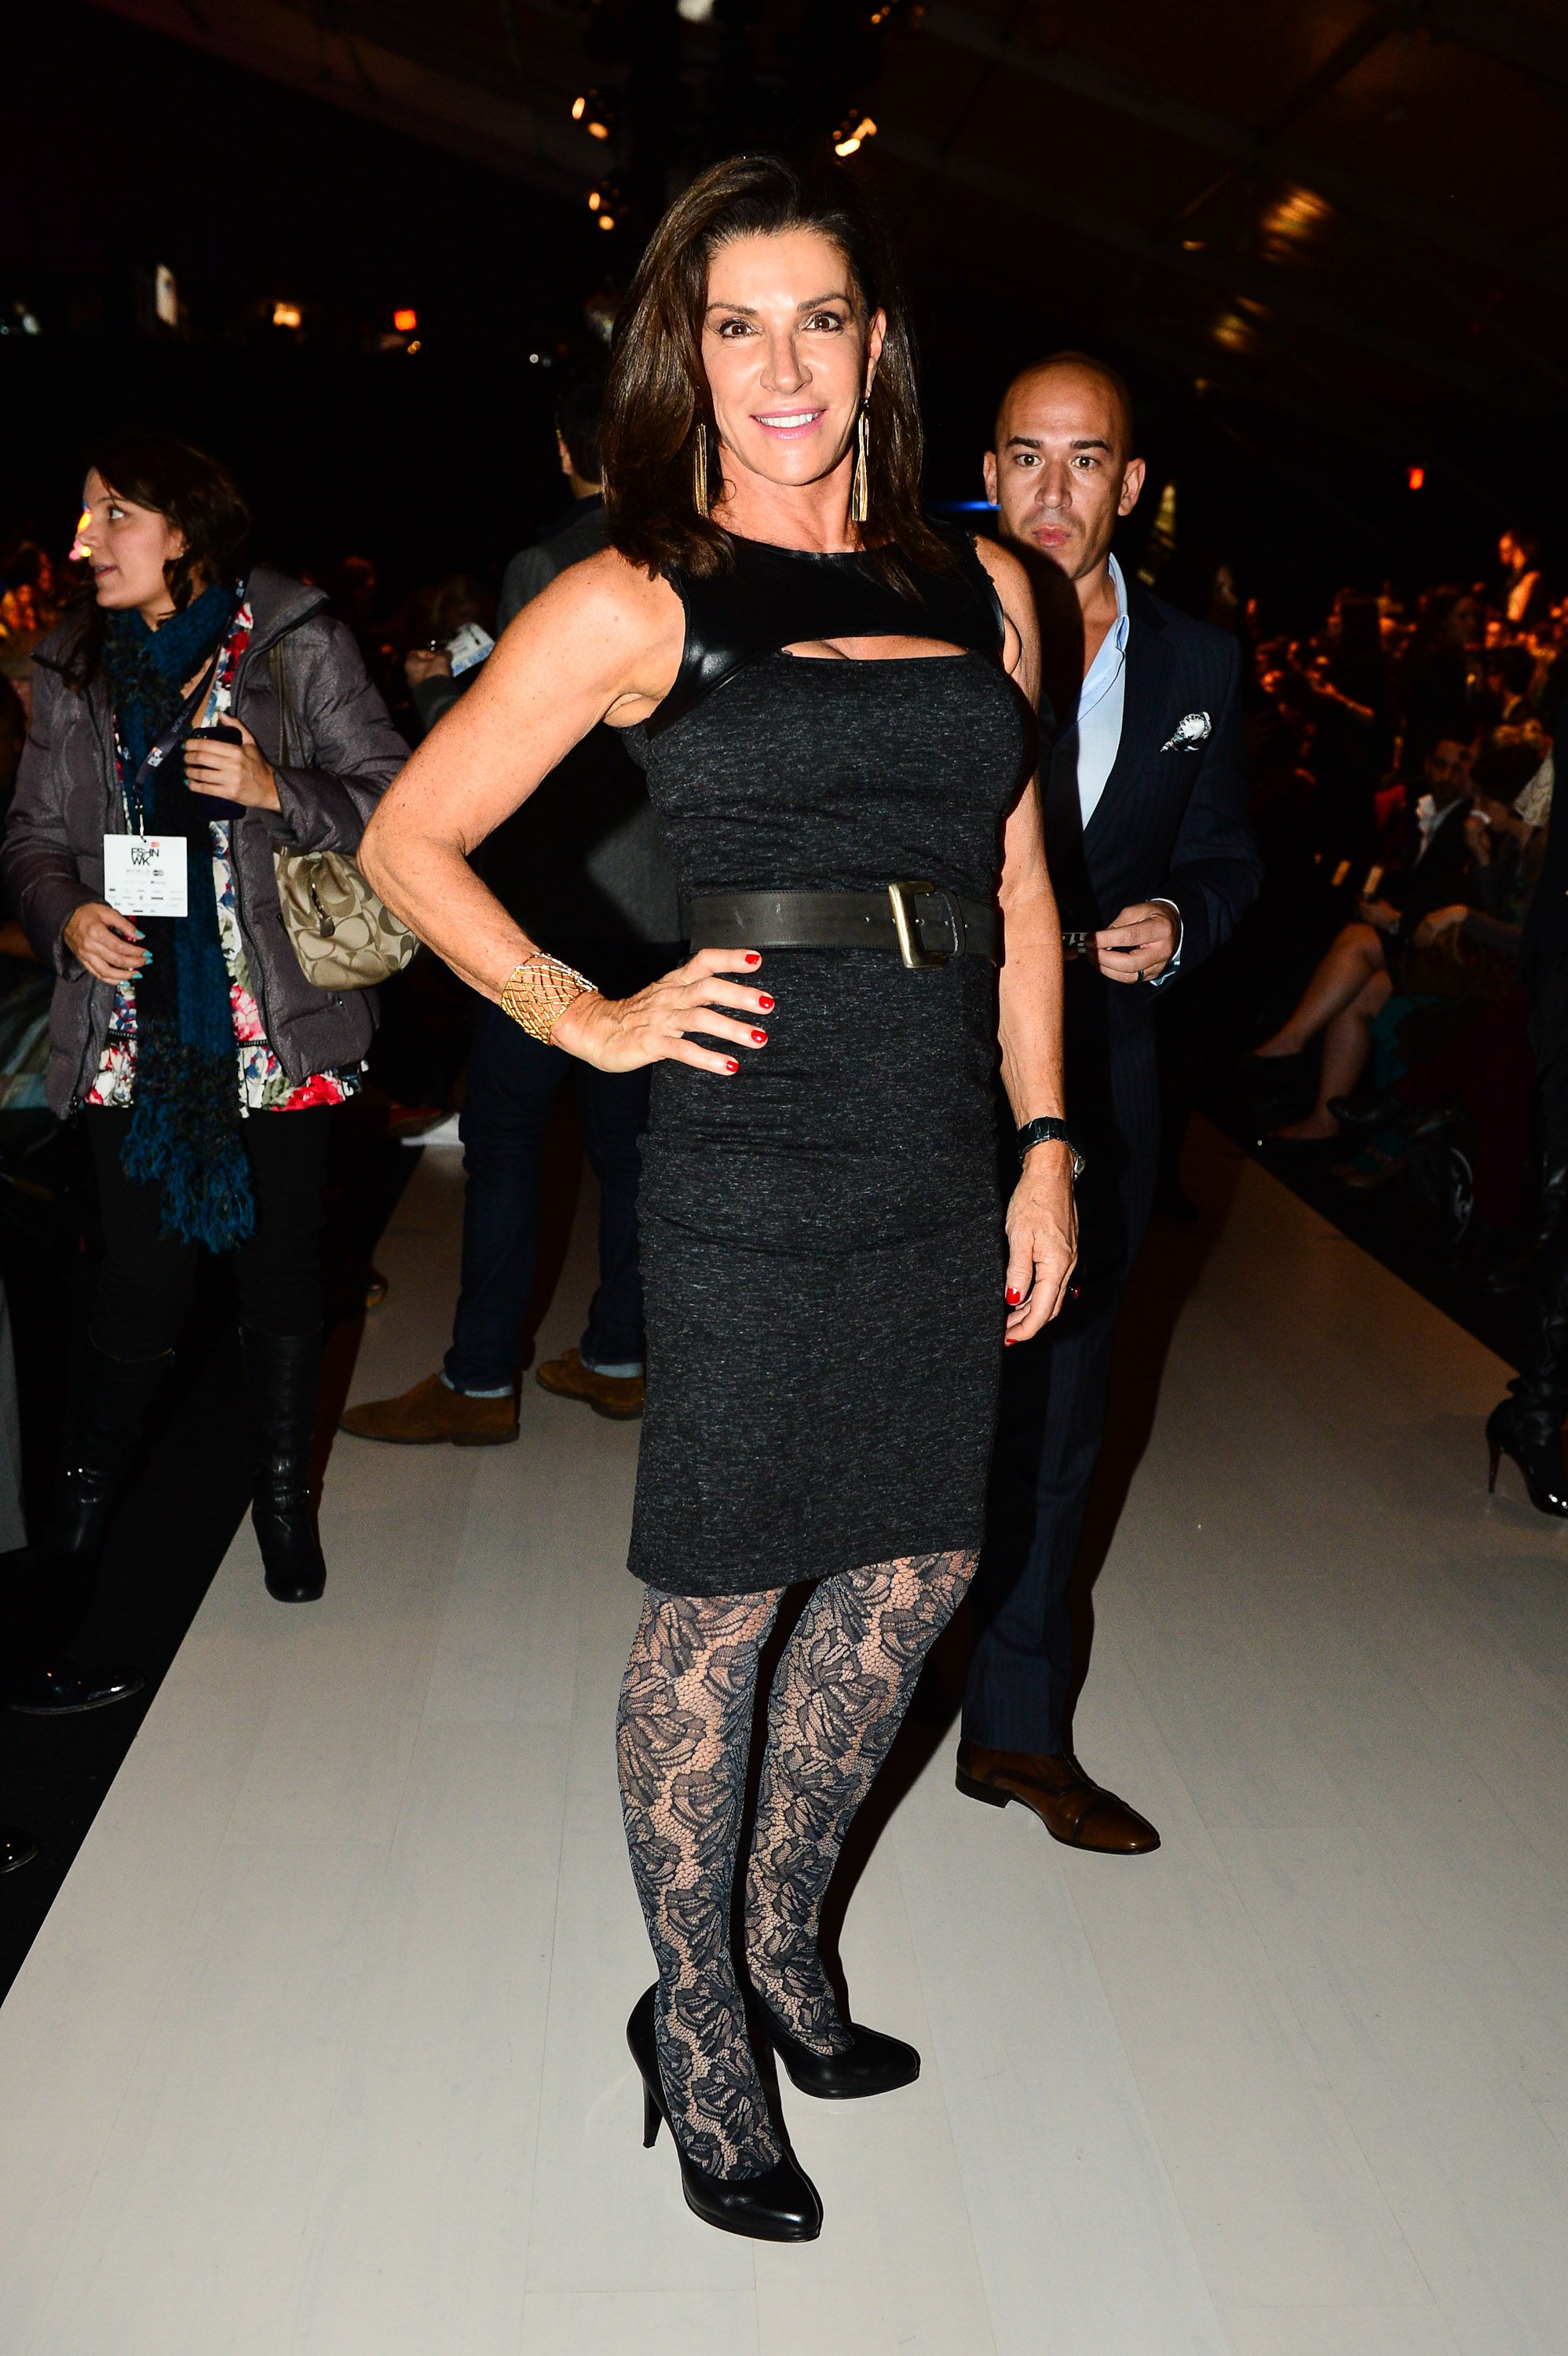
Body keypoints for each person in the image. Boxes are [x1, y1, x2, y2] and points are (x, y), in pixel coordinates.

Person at [359, 152, 1077, 2242]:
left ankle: (776, 1936)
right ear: (685, 352)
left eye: (818, 320)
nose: (781, 366)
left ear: (874, 347)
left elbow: (1022, 889)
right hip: (755, 1141)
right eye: (733, 324)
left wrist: (1044, 1140)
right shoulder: (630, 593)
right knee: (728, 1590)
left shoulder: (985, 588)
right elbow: (414, 841)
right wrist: (579, 1015)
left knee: (919, 1570)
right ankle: (696, 2031)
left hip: (943, 1139)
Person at [4, 433, 407, 1604]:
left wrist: (282, 788)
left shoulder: (297, 644)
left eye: (114, 514)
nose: (86, 542)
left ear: (184, 530)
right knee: (141, 1283)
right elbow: (29, 838)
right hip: (133, 1029)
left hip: (272, 1024)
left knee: (282, 1272)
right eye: (84, 516)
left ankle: (286, 1507)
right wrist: (67, 912)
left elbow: (400, 800)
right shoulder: (71, 664)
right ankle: (76, 1520)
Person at [957, 353, 1261, 1853]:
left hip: (1110, 1087)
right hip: (934, 1075)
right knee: (913, 1410)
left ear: (1129, 486)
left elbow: (1229, 857)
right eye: (1027, 458)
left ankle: (1014, 1735)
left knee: (1065, 1415)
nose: (1054, 492)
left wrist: (1180, 924)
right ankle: (854, 1718)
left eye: (1087, 463)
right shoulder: (921, 631)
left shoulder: (1200, 665)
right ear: (990, 469)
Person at [342, 366, 681, 1443]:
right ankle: (624, 1353)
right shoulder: (698, 556)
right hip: (663, 909)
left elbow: (542, 747)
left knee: (506, 1144)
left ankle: (481, 1381)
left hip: (554, 914)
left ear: (566, 448)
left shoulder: (551, 560)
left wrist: (442, 692)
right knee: (632, 1153)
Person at [1246, 737, 1477, 1141]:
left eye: (1459, 768)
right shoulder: (1419, 806)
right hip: (1410, 944)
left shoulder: (1470, 825)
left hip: (1447, 955)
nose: (1446, 776)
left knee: (1353, 941)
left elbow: (1452, 907)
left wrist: (1393, 920)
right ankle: (1324, 1118)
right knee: (1358, 986)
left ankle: (1285, 1045)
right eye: (1440, 765)